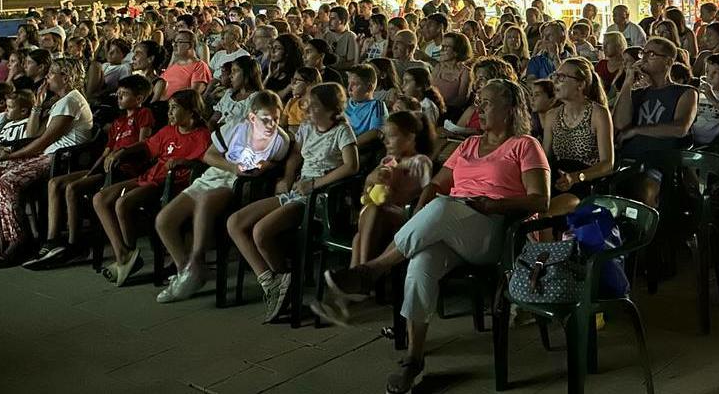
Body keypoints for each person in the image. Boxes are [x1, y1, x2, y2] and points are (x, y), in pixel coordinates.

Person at [318, 78, 550, 394]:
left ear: (510, 110)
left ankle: (372, 270)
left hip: (495, 229)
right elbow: (436, 185)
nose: (479, 107)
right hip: (453, 225)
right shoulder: (468, 145)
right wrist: (419, 219)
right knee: (420, 264)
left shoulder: (525, 145)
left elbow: (540, 200)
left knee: (442, 208)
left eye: (488, 102)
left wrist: (496, 204)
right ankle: (414, 359)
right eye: (478, 101)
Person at [226, 82, 359, 322]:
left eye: (314, 105)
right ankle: (273, 281)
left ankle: (284, 282)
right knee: (235, 222)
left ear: (331, 109)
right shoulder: (307, 128)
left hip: (320, 198)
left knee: (260, 232)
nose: (307, 108)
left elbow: (352, 166)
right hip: (298, 191)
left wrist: (316, 184)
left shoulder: (342, 131)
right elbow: (296, 154)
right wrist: (286, 178)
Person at [155, 90, 291, 303]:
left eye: (275, 118)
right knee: (164, 221)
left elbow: (275, 164)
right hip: (218, 175)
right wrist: (232, 166)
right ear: (252, 117)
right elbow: (209, 156)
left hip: (236, 186)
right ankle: (187, 271)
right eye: (266, 119)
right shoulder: (236, 128)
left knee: (205, 201)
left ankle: (197, 260)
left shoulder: (280, 140)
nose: (271, 124)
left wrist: (267, 166)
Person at [23, 75, 156, 269]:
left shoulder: (144, 114)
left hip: (126, 169)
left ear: (139, 98)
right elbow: (106, 152)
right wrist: (92, 170)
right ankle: (54, 241)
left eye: (124, 94)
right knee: (56, 183)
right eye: (118, 93)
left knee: (72, 188)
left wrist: (122, 153)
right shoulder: (117, 123)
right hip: (106, 167)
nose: (119, 97)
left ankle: (74, 242)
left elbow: (145, 144)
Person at [0, 57, 94, 266]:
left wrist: (11, 156)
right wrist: (38, 105)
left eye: (52, 73)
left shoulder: (71, 101)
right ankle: (18, 227)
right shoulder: (59, 101)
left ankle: (18, 239)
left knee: (7, 181)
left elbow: (44, 142)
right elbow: (33, 132)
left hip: (60, 160)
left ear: (66, 77)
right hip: (46, 155)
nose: (47, 78)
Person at [94, 90, 211, 286]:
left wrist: (184, 162)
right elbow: (147, 146)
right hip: (149, 177)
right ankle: (123, 254)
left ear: (191, 112)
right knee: (100, 198)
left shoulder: (201, 136)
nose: (169, 113)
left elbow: (204, 164)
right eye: (169, 108)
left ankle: (127, 258)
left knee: (122, 203)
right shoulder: (167, 131)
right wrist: (122, 151)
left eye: (174, 108)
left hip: (169, 185)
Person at [614, 36, 698, 206]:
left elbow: (679, 128)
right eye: (642, 53)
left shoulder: (685, 92)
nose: (643, 59)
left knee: (646, 188)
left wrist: (636, 130)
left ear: (668, 61)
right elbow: (620, 124)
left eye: (651, 54)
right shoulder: (637, 94)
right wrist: (628, 81)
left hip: (662, 163)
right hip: (628, 161)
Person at [349, 111, 436, 267]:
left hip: (404, 214)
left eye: (392, 136)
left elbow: (427, 190)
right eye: (385, 136)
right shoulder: (387, 161)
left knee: (373, 213)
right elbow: (368, 192)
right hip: (379, 212)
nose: (386, 141)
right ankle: (359, 277)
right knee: (358, 236)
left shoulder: (420, 162)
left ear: (410, 137)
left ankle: (362, 271)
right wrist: (372, 179)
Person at [543, 57, 614, 216]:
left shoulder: (598, 113)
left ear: (580, 84)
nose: (555, 81)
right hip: (557, 179)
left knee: (547, 213)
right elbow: (545, 158)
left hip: (586, 182)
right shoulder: (552, 115)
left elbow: (607, 164)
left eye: (562, 77)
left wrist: (576, 177)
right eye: (555, 76)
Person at [430, 31, 472, 119]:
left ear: (457, 51)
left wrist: (441, 106)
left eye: (446, 47)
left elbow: (461, 100)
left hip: (450, 114)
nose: (441, 50)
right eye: (442, 46)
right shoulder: (438, 67)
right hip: (432, 110)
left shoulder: (465, 72)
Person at [345, 63, 388, 146]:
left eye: (355, 84)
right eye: (349, 83)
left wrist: (348, 147)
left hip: (357, 149)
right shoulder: (344, 103)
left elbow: (376, 132)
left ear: (369, 87)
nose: (349, 89)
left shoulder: (377, 106)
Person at [162, 30, 214, 99]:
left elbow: (192, 95)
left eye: (179, 42)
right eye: (174, 42)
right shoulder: (174, 65)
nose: (174, 45)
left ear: (191, 45)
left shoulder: (200, 66)